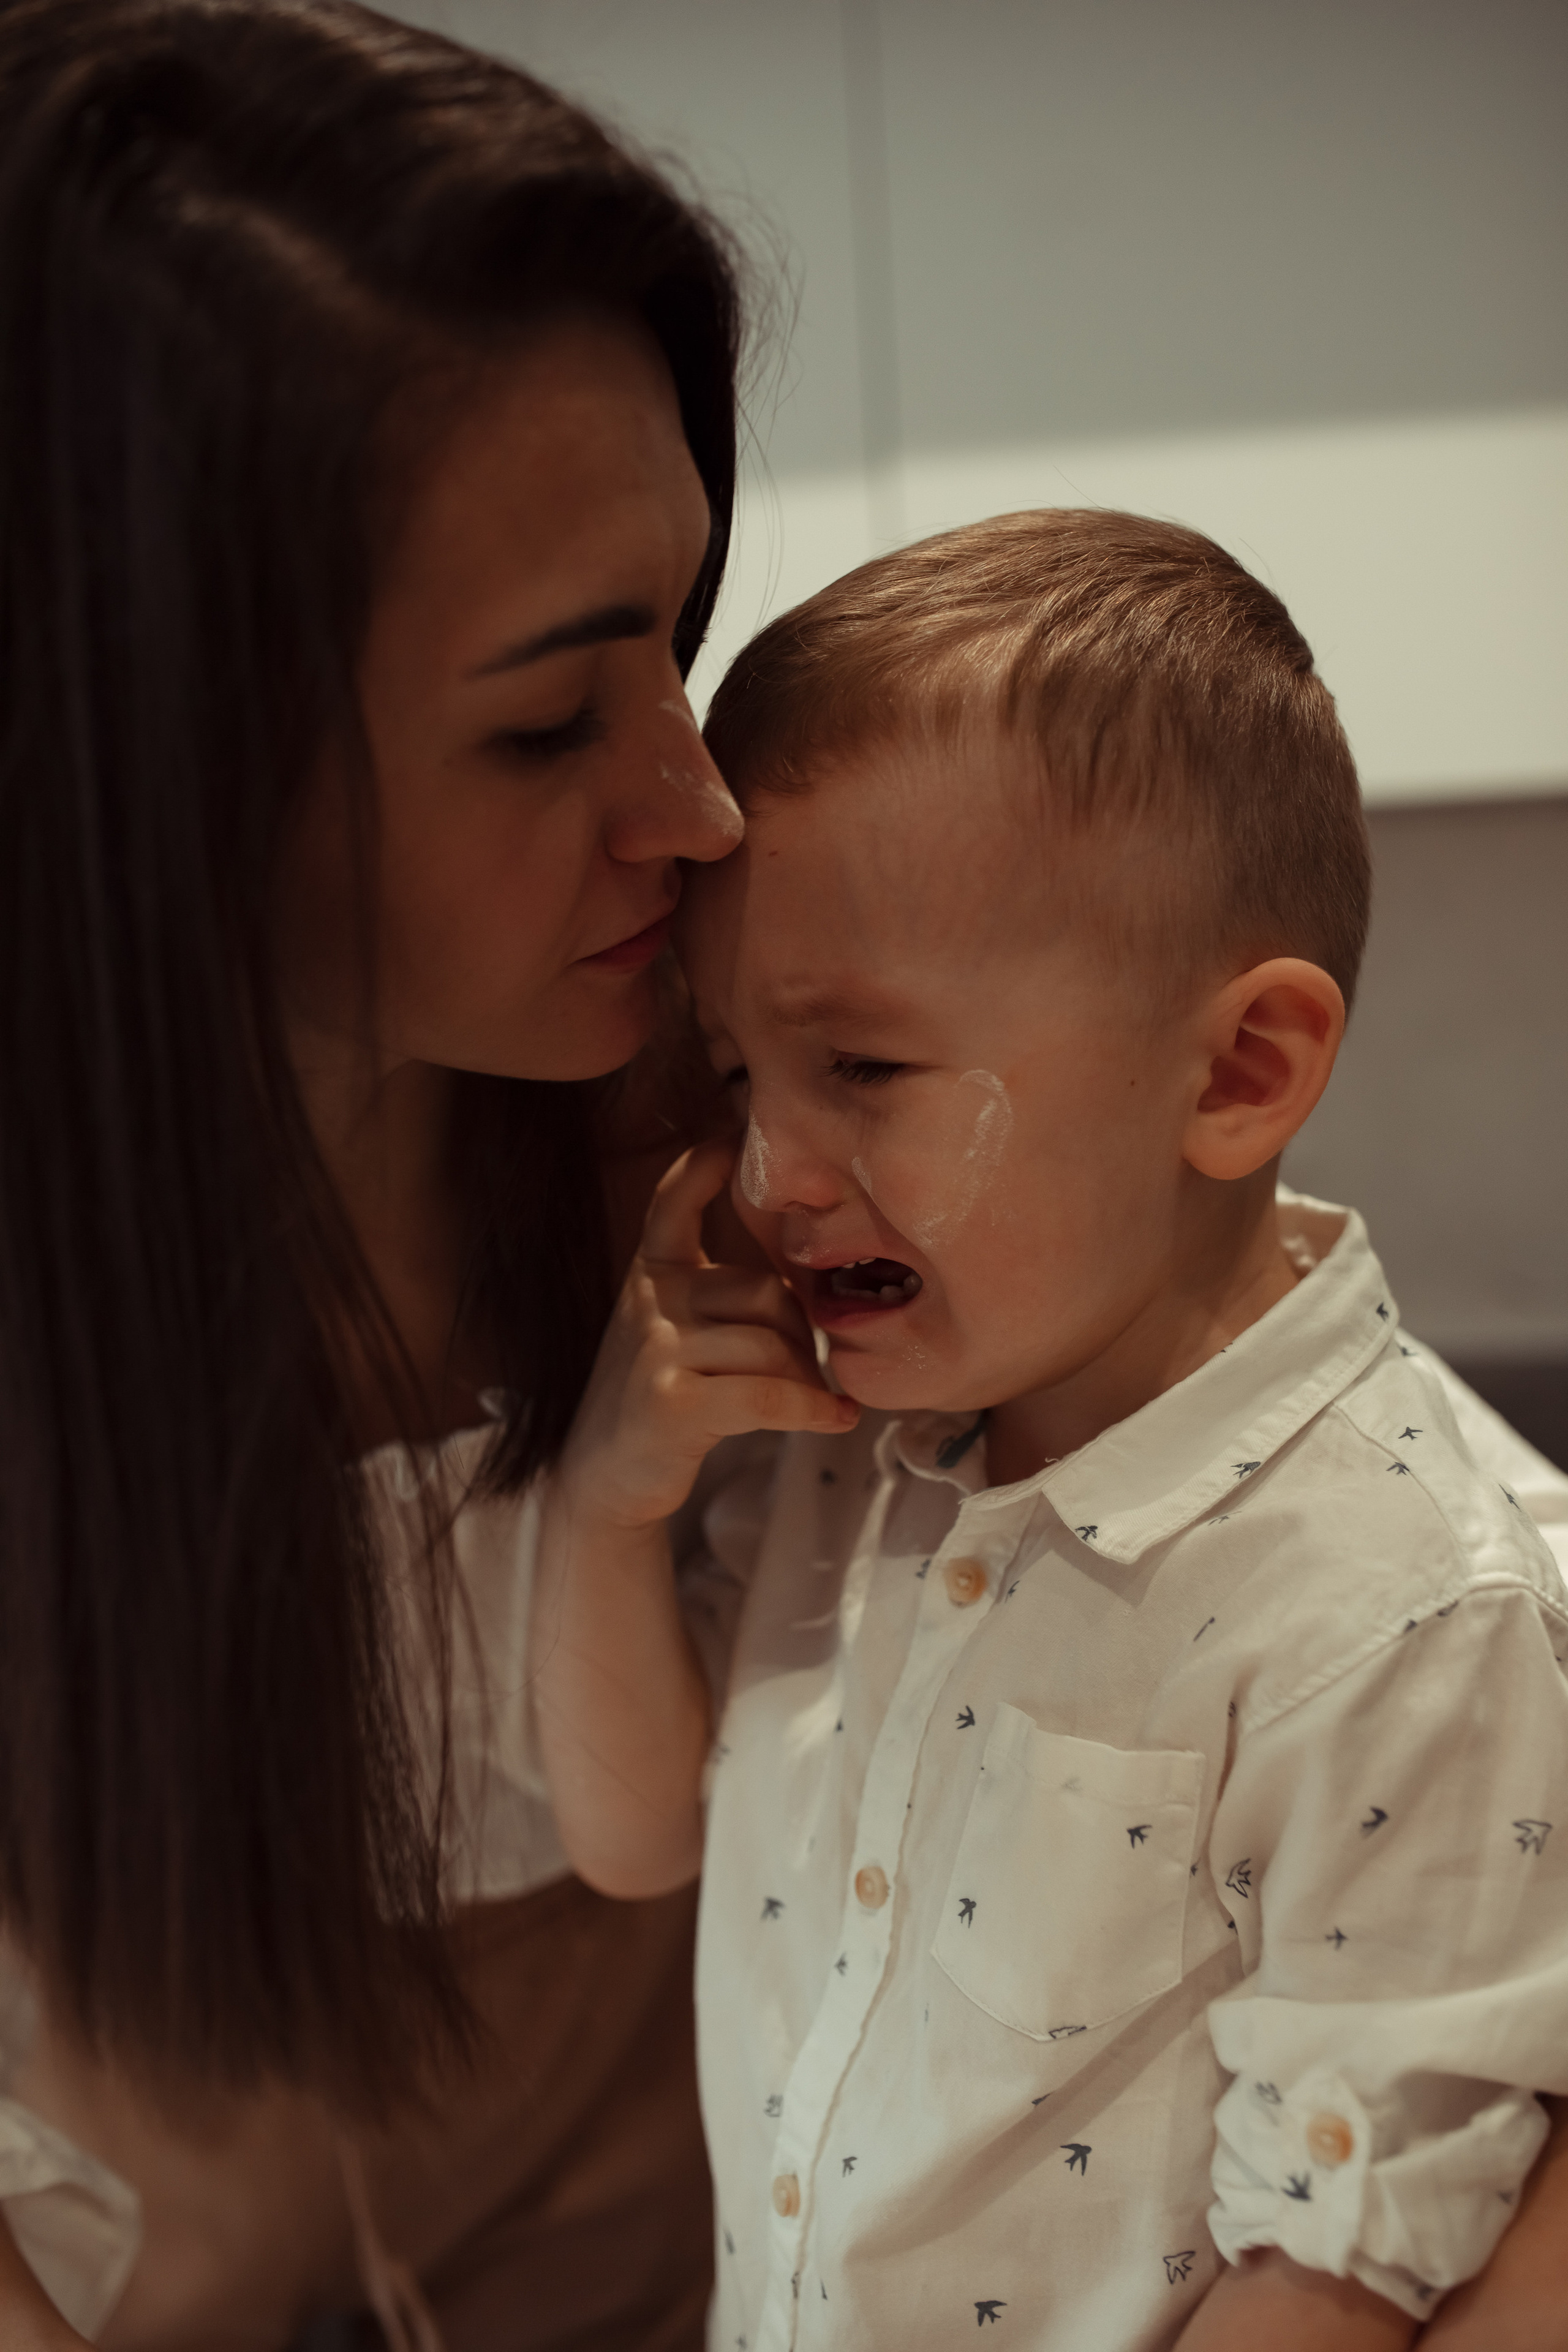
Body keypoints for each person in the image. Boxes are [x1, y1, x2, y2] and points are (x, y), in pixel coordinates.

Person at [532, 510, 1568, 2351]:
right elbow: (630, 1840)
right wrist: (612, 1508)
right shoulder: (848, 1450)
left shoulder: (1416, 1609)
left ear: (1239, 1072)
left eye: (860, 1068)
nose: (769, 1176)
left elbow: (1336, 2257)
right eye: (734, 1075)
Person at [0, 1, 748, 2344]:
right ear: (138, 760)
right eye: (545, 722)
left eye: (685, 639)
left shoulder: (749, 1095)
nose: (700, 807)